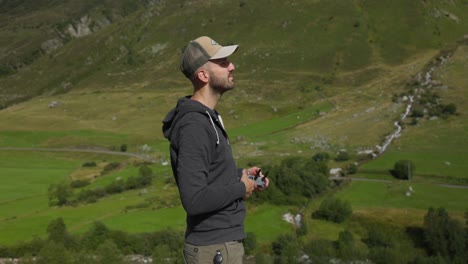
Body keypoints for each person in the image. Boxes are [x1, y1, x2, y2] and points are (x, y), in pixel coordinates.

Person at [162, 36, 268, 264]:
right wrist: (242, 187)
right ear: (203, 75)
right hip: (215, 250)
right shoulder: (194, 126)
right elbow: (195, 199)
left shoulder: (207, 119)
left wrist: (241, 174)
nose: (232, 66)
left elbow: (210, 174)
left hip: (220, 246)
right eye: (222, 62)